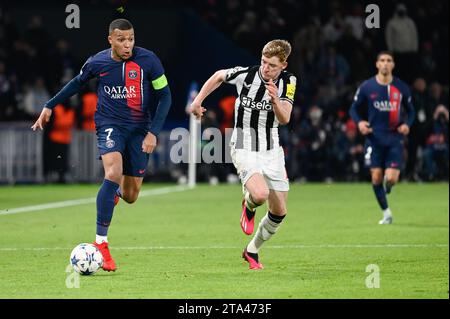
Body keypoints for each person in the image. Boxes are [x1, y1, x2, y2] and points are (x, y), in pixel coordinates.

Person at [31, 19, 172, 271]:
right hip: (110, 125)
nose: (127, 44)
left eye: (130, 39)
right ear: (110, 40)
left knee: (130, 196)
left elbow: (165, 95)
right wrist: (50, 105)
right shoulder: (97, 62)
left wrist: (153, 133)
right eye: (121, 39)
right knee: (112, 173)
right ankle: (102, 244)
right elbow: (76, 83)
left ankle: (114, 195)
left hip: (140, 130)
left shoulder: (149, 61)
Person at [190, 39, 297, 270]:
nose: (265, 68)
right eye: (263, 62)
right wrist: (198, 101)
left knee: (279, 212)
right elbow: (219, 76)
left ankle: (252, 250)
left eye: (272, 65)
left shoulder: (289, 82)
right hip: (243, 144)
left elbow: (285, 118)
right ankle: (248, 205)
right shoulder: (246, 75)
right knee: (260, 194)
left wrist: (275, 100)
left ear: (284, 66)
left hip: (271, 149)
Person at [349, 51, 415, 225]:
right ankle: (387, 213)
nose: (385, 63)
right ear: (377, 64)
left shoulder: (401, 88)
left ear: (393, 65)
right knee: (376, 177)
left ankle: (389, 184)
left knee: (391, 178)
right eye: (382, 60)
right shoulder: (367, 87)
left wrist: (407, 124)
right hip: (374, 138)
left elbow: (412, 111)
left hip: (395, 138)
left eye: (389, 61)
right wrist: (360, 123)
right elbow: (353, 109)